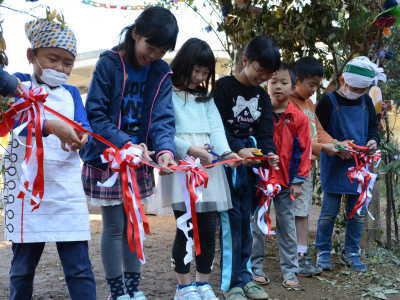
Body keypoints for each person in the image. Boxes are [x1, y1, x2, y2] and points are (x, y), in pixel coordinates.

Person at [80, 6, 179, 300]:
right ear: (136, 33)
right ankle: (117, 292)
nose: (153, 55)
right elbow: (95, 115)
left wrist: (164, 152)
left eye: (161, 51)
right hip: (108, 159)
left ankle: (133, 290)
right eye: (150, 45)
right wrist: (125, 143)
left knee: (135, 225)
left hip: (140, 161)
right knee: (113, 227)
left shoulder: (161, 72)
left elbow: (163, 118)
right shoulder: (109, 64)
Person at [4, 18, 95, 300]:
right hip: (25, 188)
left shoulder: (71, 94)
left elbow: (84, 127)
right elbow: (12, 126)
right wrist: (49, 126)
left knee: (79, 266)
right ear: (32, 55)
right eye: (52, 59)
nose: (60, 68)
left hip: (66, 188)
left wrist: (83, 138)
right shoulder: (16, 86)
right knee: (22, 267)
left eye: (67, 63)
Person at [160, 38, 240, 300]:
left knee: (208, 226)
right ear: (184, 65)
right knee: (186, 225)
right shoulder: (166, 91)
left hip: (208, 166)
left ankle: (203, 282)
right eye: (196, 71)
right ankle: (183, 286)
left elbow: (215, 126)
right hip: (183, 164)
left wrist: (227, 152)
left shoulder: (205, 98)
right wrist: (189, 150)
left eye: (205, 73)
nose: (200, 77)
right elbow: (165, 130)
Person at [213, 35, 280, 300]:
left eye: (268, 74)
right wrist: (238, 149)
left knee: (248, 222)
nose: (262, 77)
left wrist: (268, 155)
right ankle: (231, 283)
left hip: (252, 170)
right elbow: (217, 129)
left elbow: (265, 132)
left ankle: (246, 276)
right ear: (245, 61)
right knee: (231, 224)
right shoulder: (223, 89)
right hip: (228, 169)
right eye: (259, 70)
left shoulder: (262, 97)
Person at [315, 56, 383, 272]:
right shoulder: (328, 102)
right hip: (335, 164)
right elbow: (317, 132)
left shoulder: (366, 102)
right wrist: (335, 147)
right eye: (354, 88)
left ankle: (352, 252)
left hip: (359, 167)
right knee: (329, 211)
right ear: (344, 80)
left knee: (357, 212)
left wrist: (373, 141)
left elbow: (373, 127)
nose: (357, 93)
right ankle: (323, 251)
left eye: (361, 90)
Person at [250, 64, 311, 290]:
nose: (278, 87)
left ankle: (290, 271)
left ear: (293, 87)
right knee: (256, 225)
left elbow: (304, 151)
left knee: (287, 225)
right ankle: (254, 267)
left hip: (286, 182)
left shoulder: (298, 118)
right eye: (273, 81)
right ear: (267, 83)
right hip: (261, 181)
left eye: (284, 82)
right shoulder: (258, 112)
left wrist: (298, 181)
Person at [289, 56, 342, 277]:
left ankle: (300, 255)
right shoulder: (288, 104)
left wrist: (338, 144)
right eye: (311, 85)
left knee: (302, 212)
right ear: (297, 79)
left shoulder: (309, 104)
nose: (313, 90)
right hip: (291, 168)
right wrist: (324, 148)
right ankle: (292, 257)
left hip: (306, 168)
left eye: (317, 86)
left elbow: (318, 131)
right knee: (290, 213)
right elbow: (297, 142)